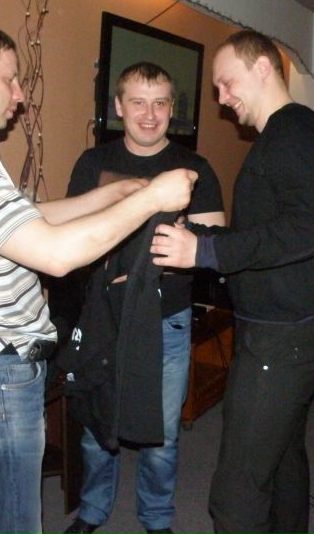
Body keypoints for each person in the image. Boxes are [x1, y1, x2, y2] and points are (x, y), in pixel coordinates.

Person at [0, 20, 197, 534]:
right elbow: (56, 255)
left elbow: (29, 220)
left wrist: (108, 195)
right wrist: (153, 197)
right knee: (11, 520)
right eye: (10, 78)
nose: (19, 95)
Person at [150, 30, 314, 534]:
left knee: (236, 493)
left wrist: (205, 251)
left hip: (282, 340)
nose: (221, 97)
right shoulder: (285, 134)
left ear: (262, 68)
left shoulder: (293, 131)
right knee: (281, 461)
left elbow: (305, 230)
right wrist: (200, 236)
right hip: (290, 332)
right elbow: (264, 233)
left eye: (226, 82)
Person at [62, 62, 225, 534]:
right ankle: (93, 511)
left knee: (162, 434)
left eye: (159, 103)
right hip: (104, 318)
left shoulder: (195, 169)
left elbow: (214, 244)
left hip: (165, 317)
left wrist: (184, 245)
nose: (149, 115)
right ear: (119, 106)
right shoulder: (93, 164)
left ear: (172, 108)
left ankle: (156, 517)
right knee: (97, 423)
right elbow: (72, 234)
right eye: (138, 102)